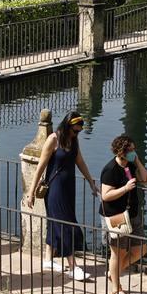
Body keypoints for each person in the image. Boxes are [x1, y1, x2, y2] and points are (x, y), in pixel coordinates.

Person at [25, 111, 97, 282]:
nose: (76, 133)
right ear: (67, 126)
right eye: (75, 131)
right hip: (55, 189)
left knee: (55, 222)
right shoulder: (53, 140)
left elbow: (80, 162)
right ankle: (73, 266)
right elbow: (40, 167)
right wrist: (31, 192)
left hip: (69, 188)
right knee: (65, 224)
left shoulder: (73, 141)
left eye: (79, 131)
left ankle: (48, 259)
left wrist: (91, 182)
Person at [100, 135, 147, 294]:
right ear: (121, 152)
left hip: (133, 213)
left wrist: (137, 162)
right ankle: (116, 289)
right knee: (117, 252)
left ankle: (113, 273)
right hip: (116, 215)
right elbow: (106, 195)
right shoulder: (110, 169)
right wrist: (125, 188)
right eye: (130, 150)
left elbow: (146, 180)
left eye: (134, 150)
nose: (133, 152)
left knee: (141, 249)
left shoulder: (130, 164)